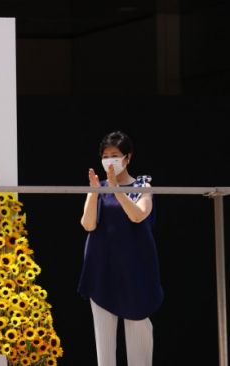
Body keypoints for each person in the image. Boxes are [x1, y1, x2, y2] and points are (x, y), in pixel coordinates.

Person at [78, 131, 163, 366]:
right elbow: (88, 223)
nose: (109, 160)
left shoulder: (142, 185)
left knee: (139, 333)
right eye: (105, 156)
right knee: (104, 347)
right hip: (102, 269)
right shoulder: (99, 186)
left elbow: (138, 215)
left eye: (115, 155)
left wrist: (117, 190)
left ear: (128, 158)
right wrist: (95, 192)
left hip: (135, 269)